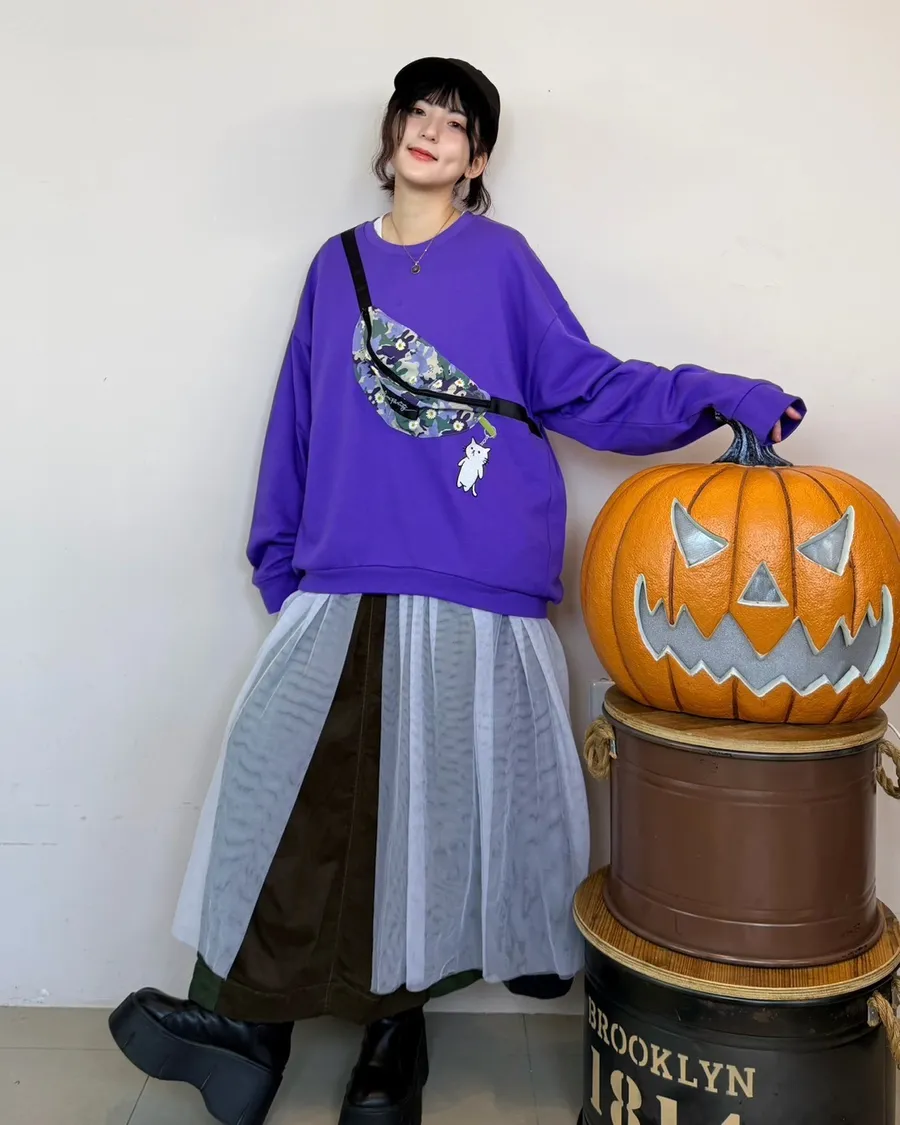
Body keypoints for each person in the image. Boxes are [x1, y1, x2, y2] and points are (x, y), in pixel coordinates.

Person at [108, 57, 805, 1125]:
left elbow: (585, 386)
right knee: (279, 785)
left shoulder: (503, 260)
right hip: (346, 571)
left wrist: (717, 396)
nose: (431, 128)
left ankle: (392, 1046)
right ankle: (246, 1032)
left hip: (474, 575)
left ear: (477, 161)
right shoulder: (335, 264)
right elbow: (298, 414)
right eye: (418, 111)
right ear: (391, 135)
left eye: (456, 121)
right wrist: (279, 559)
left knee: (427, 818)